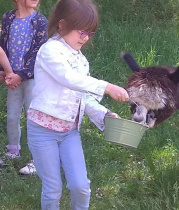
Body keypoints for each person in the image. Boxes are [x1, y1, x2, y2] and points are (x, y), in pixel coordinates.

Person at [27, 0, 129, 209]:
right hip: (42, 132)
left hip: (69, 133)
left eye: (90, 33)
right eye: (82, 31)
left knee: (81, 186)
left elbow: (83, 95)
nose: (86, 38)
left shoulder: (81, 60)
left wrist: (104, 114)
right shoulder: (50, 50)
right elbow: (68, 78)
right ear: (62, 24)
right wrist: (107, 86)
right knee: (53, 188)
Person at [0, 0, 48, 174]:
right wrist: (4, 71)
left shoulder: (40, 20)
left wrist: (21, 74)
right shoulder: (8, 18)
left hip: (31, 78)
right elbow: (3, 45)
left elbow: (39, 51)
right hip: (12, 78)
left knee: (33, 117)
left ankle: (38, 159)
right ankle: (13, 151)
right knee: (12, 116)